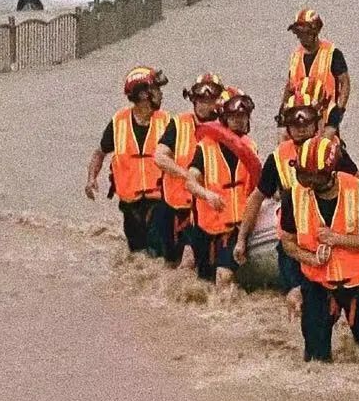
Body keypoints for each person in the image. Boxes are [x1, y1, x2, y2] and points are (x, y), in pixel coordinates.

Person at [279, 135, 359, 363]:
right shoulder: (293, 196)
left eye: (317, 178)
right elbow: (287, 241)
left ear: (332, 173)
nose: (311, 184)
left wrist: (337, 239)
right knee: (316, 359)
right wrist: (308, 257)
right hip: (317, 282)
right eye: (305, 177)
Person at [234, 89, 325, 317]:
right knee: (296, 294)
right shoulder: (277, 158)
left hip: (325, 237)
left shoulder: (331, 151)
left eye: (306, 119)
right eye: (294, 121)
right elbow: (257, 198)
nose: (301, 126)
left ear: (316, 122)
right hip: (292, 240)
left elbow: (354, 188)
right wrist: (241, 239)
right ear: (287, 125)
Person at [85, 67, 171, 256]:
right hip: (130, 205)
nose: (161, 94)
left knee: (156, 252)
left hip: (160, 200)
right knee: (137, 255)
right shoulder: (118, 122)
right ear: (142, 94)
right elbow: (100, 152)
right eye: (156, 90)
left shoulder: (167, 122)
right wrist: (91, 179)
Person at [185, 90, 260, 288]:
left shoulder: (251, 148)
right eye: (234, 117)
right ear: (223, 118)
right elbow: (190, 181)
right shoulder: (205, 148)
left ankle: (229, 315)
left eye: (243, 116)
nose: (240, 121)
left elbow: (259, 187)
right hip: (206, 230)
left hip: (237, 228)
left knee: (223, 276)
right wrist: (206, 194)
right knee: (202, 283)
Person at [153, 72, 226, 268]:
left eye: (211, 99)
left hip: (207, 209)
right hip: (176, 208)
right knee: (171, 264)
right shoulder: (179, 124)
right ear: (193, 99)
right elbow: (159, 156)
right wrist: (187, 176)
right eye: (202, 99)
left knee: (201, 266)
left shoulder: (225, 127)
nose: (206, 104)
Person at [283, 8, 350, 131]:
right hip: (299, 124)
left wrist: (338, 111)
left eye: (304, 34)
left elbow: (345, 83)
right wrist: (283, 113)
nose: (301, 38)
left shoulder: (332, 53)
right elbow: (289, 87)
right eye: (299, 34)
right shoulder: (296, 56)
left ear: (315, 32)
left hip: (325, 122)